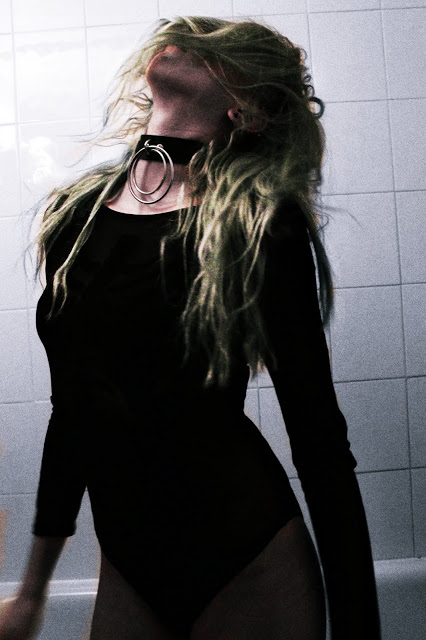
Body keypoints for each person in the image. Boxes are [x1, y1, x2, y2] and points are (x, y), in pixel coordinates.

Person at [0, 16, 381, 640]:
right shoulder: (80, 215)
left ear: (247, 112)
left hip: (246, 554)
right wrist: (32, 592)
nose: (186, 38)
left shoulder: (258, 224)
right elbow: (74, 410)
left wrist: (360, 627)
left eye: (219, 52)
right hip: (128, 562)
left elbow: (319, 440)